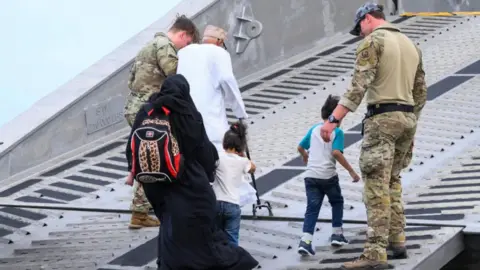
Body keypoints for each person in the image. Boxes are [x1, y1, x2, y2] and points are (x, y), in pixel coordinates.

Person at [319, 3, 427, 269]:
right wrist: (412, 124)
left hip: (382, 118)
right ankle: (397, 238)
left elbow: (358, 86)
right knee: (393, 179)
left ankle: (375, 254)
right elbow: (421, 91)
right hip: (407, 118)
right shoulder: (410, 44)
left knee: (376, 185)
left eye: (359, 29)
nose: (360, 35)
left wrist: (333, 120)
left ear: (368, 19)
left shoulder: (373, 42)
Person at [125, 74, 259, 270]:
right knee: (203, 236)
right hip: (188, 185)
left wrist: (135, 172)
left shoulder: (147, 111)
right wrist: (209, 173)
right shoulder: (187, 113)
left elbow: (132, 148)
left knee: (170, 227)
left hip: (156, 186)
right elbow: (203, 152)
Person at [123, 15, 200, 229]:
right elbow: (175, 73)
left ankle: (143, 208)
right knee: (151, 154)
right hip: (150, 110)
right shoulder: (165, 46)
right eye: (186, 44)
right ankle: (141, 211)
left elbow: (130, 80)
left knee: (146, 153)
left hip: (134, 107)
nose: (185, 48)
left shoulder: (147, 46)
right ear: (183, 35)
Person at [297, 95, 360, 256]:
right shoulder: (337, 132)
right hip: (328, 177)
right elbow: (336, 153)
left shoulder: (314, 129)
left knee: (312, 208)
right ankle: (337, 234)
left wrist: (305, 156)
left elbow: (300, 146)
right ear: (336, 116)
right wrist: (351, 171)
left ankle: (306, 241)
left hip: (310, 176)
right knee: (337, 202)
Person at [177, 25, 248, 151]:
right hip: (211, 123)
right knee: (217, 157)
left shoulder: (183, 53)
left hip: (185, 121)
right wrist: (240, 113)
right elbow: (228, 81)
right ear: (220, 41)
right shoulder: (219, 52)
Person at [213, 121, 256, 246]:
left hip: (216, 202)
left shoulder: (218, 157)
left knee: (216, 237)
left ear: (223, 143)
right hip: (233, 205)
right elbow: (253, 168)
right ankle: (233, 262)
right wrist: (243, 156)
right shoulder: (243, 161)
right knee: (232, 238)